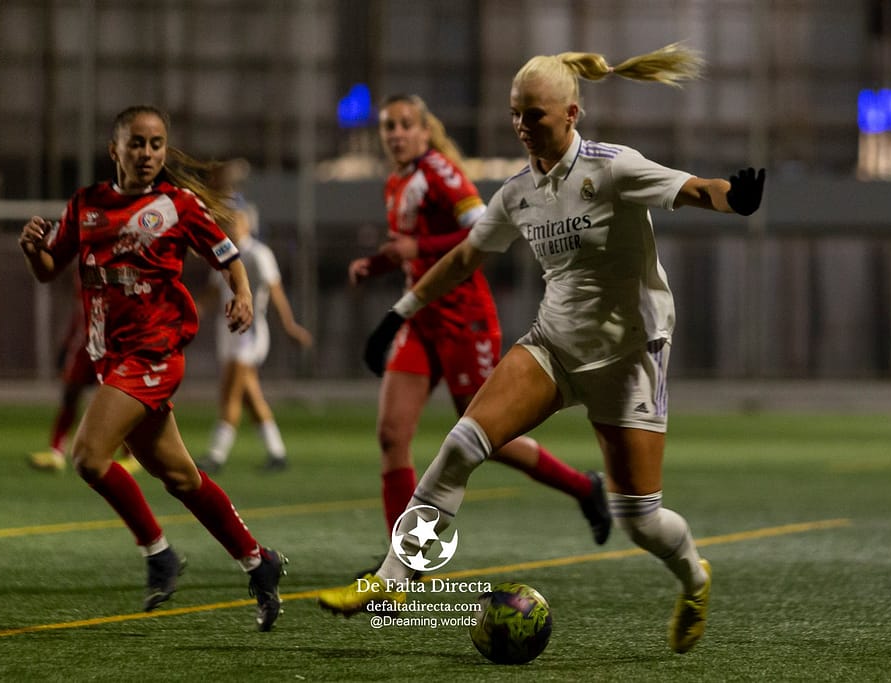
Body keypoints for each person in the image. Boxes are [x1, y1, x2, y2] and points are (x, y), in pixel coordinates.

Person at [319, 44, 766, 656]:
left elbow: (692, 189)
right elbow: (466, 257)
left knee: (640, 518)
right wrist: (400, 312)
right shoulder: (517, 191)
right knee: (460, 445)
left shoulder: (613, 168)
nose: (523, 127)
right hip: (552, 348)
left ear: (572, 114)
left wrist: (732, 197)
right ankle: (397, 580)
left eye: (535, 116)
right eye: (515, 115)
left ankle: (693, 578)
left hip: (629, 359)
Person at [18, 105, 287, 631]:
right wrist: (32, 250)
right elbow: (51, 270)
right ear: (114, 150)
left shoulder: (177, 204)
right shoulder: (86, 206)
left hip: (154, 354)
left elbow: (228, 255)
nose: (147, 154)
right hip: (111, 360)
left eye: (156, 144)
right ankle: (259, 560)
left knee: (89, 458)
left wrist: (244, 294)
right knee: (180, 475)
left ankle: (157, 552)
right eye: (137, 144)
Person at [347, 93, 612, 558]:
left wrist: (417, 247)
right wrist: (377, 264)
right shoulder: (397, 181)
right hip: (422, 323)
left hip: (463, 321)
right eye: (389, 126)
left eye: (406, 124)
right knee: (392, 436)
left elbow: (481, 231)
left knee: (489, 438)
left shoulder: (441, 174)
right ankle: (403, 554)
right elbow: (417, 252)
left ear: (424, 131)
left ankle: (584, 487)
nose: (396, 134)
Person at [198, 160, 313, 474]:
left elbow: (275, 292)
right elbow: (211, 293)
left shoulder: (257, 254)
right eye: (228, 221)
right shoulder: (223, 255)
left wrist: (289, 325)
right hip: (229, 332)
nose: (230, 225)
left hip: (249, 333)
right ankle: (277, 453)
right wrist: (191, 312)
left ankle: (216, 455)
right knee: (250, 396)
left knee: (230, 391)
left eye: (236, 220)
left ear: (248, 223)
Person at [28, 275, 140, 474]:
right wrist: (67, 343)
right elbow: (79, 312)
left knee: (115, 402)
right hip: (83, 346)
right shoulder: (82, 272)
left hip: (110, 346)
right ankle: (56, 452)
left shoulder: (115, 267)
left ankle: (129, 456)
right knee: (70, 395)